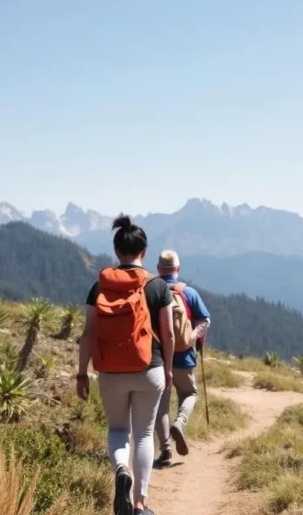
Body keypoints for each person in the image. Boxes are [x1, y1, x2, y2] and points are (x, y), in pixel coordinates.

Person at [77, 215, 174, 515]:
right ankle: (140, 504)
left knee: (118, 429)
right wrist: (169, 369)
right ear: (144, 251)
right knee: (144, 433)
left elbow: (88, 333)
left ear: (117, 251)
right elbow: (169, 333)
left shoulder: (100, 286)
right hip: (150, 368)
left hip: (109, 371)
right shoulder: (157, 286)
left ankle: (121, 469)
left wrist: (82, 373)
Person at [153, 249, 211, 469]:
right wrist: (192, 336)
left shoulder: (151, 290)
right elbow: (205, 319)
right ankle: (180, 422)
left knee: (161, 405)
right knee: (190, 393)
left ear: (159, 269)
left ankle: (166, 451)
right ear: (178, 269)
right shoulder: (189, 293)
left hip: (158, 358)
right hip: (184, 358)